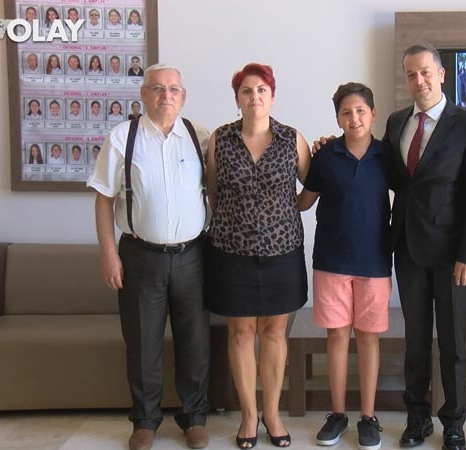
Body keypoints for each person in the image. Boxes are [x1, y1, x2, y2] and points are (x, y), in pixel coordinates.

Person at [87, 63, 212, 450]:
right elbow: (103, 199)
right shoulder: (122, 137)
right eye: (157, 88)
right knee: (143, 343)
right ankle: (144, 421)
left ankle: (194, 418)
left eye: (173, 89)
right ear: (143, 95)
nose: (165, 95)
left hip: (193, 255)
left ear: (183, 96)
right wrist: (108, 253)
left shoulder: (199, 136)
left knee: (195, 341)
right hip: (140, 257)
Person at [385, 43, 466, 450]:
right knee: (415, 341)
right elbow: (390, 175)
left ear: (442, 74)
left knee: (453, 344)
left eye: (426, 72)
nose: (419, 80)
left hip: (453, 257)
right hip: (408, 248)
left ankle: (454, 423)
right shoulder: (397, 122)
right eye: (411, 74)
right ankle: (417, 419)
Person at [205, 62, 310, 449]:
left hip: (283, 251)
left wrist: (289, 210)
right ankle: (249, 416)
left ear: (273, 96)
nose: (255, 97)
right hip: (232, 253)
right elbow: (213, 193)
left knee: (274, 332)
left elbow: (311, 186)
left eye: (262, 90)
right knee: (240, 333)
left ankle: (272, 413)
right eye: (247, 91)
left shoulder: (291, 138)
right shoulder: (220, 139)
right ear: (237, 99)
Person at [298, 82, 391, 450]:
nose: (354, 118)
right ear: (337, 118)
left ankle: (368, 417)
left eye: (361, 111)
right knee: (336, 336)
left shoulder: (387, 156)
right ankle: (337, 414)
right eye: (346, 113)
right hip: (331, 261)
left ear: (373, 114)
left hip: (375, 261)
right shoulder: (326, 155)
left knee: (368, 338)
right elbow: (303, 202)